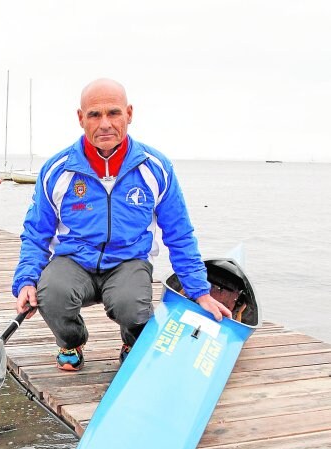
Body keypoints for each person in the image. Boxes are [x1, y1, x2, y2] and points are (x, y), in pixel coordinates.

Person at [12, 78, 230, 371]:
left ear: (129, 114)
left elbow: (179, 234)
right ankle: (72, 341)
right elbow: (36, 233)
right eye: (94, 114)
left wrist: (199, 292)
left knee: (133, 306)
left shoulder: (156, 167)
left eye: (113, 113)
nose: (104, 124)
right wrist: (26, 280)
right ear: (80, 118)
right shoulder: (57, 170)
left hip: (128, 262)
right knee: (51, 293)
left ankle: (131, 342)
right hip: (74, 261)